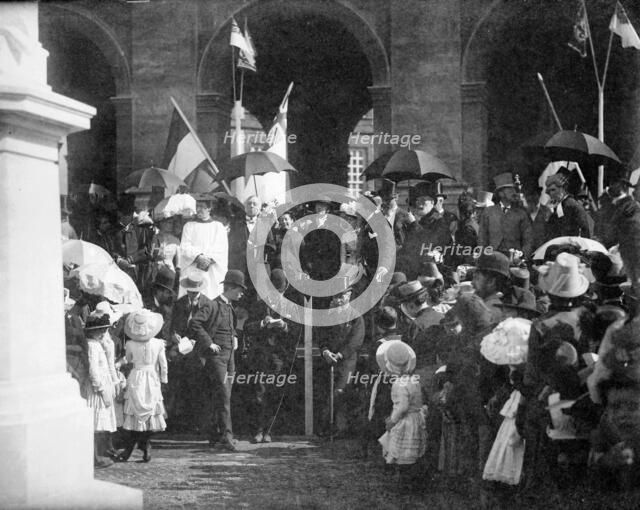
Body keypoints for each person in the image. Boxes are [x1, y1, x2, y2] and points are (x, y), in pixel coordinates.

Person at [190, 269, 246, 451]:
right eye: (239, 289)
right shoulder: (212, 305)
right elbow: (195, 323)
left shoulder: (230, 306)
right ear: (230, 287)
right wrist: (209, 343)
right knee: (224, 397)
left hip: (230, 359)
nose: (242, 293)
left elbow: (230, 327)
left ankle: (216, 436)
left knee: (222, 396)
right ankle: (227, 437)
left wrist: (234, 336)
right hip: (217, 359)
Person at [243, 269, 298, 443]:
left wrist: (285, 327)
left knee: (275, 393)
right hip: (261, 356)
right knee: (259, 394)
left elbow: (297, 333)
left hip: (279, 357)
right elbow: (247, 328)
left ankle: (270, 430)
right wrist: (261, 323)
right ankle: (258, 430)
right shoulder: (259, 306)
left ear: (286, 289)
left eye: (280, 292)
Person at [117, 309, 168, 463]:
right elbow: (163, 365)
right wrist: (163, 380)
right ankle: (145, 445)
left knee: (135, 410)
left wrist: (119, 364)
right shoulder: (158, 344)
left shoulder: (131, 344)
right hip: (151, 378)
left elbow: (128, 359)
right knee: (149, 410)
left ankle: (133, 448)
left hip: (137, 377)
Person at [318, 285, 365, 436]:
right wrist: (325, 351)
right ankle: (326, 428)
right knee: (327, 393)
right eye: (336, 296)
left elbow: (356, 341)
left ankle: (341, 428)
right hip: (328, 360)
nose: (339, 300)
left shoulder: (356, 317)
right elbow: (321, 336)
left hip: (346, 363)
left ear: (349, 295)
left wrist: (340, 354)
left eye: (342, 296)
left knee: (341, 392)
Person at [169, 270, 212, 432]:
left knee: (198, 385)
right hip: (182, 349)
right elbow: (173, 327)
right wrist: (175, 336)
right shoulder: (180, 304)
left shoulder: (207, 304)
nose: (193, 295)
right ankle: (180, 420)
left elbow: (208, 330)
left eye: (195, 292)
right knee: (179, 382)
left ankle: (198, 422)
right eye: (190, 292)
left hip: (198, 351)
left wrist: (196, 341)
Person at [377, 340, 426, 480]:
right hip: (416, 418)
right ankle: (409, 478)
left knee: (402, 452)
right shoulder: (414, 380)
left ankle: (403, 480)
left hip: (405, 421)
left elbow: (402, 406)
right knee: (411, 451)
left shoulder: (399, 384)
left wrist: (392, 421)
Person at [83, 312, 118, 469]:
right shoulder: (92, 346)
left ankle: (98, 454)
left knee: (100, 424)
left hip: (103, 385)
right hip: (96, 389)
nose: (104, 333)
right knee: (95, 424)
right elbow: (93, 370)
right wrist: (101, 388)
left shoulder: (97, 345)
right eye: (101, 330)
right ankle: (94, 457)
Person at [179, 195, 229, 300]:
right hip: (194, 267)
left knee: (211, 296)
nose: (198, 209)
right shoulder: (189, 226)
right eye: (197, 206)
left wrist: (208, 259)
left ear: (209, 208)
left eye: (202, 207)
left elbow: (221, 248)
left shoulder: (218, 227)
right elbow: (185, 246)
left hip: (211, 270)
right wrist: (198, 256)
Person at [478, 172, 533, 260]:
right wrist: (483, 258)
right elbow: (482, 239)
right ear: (501, 193)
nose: (514, 192)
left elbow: (528, 240)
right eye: (510, 190)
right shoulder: (488, 212)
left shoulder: (521, 214)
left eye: (514, 189)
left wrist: (522, 257)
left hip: (514, 261)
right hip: (493, 260)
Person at [544, 171, 592, 240]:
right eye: (549, 192)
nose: (551, 194)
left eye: (553, 190)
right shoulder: (558, 207)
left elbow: (585, 230)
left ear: (563, 189)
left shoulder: (571, 205)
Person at [524, 186, 550, 250]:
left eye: (533, 194)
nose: (530, 198)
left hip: (542, 251)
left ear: (539, 195)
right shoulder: (522, 213)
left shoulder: (547, 211)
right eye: (527, 195)